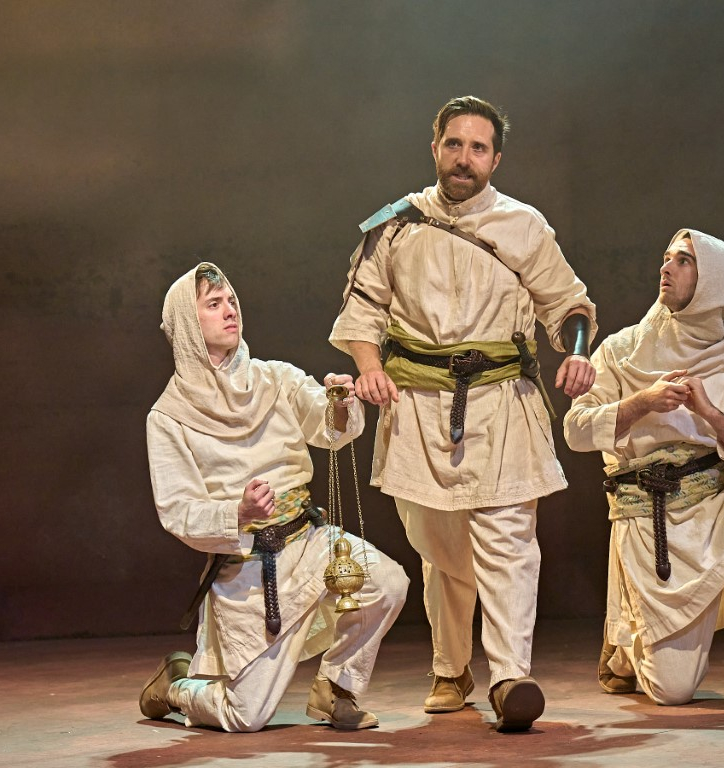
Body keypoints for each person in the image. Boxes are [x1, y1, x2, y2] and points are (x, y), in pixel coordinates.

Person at [329, 95, 597, 731]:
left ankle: (510, 678)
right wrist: (369, 368)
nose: (464, 159)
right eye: (455, 144)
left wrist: (579, 354)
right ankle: (451, 667)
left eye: (478, 148)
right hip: (417, 405)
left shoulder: (525, 226)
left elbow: (569, 305)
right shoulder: (396, 225)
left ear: (495, 159)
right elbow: (361, 309)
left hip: (504, 402)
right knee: (439, 544)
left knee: (509, 543)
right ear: (435, 149)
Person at [139, 262, 408, 732]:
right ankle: (178, 683)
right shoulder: (169, 417)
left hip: (307, 541)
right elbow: (177, 510)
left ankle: (337, 689)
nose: (230, 311)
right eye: (214, 304)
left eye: (232, 301)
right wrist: (236, 512)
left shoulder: (275, 379)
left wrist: (340, 402)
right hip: (248, 569)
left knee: (387, 582)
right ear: (188, 323)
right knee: (245, 716)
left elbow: (329, 431)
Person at [563, 230, 724, 705]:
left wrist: (712, 415)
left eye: (683, 261)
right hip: (648, 514)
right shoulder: (621, 351)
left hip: (715, 505)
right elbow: (575, 429)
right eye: (666, 258)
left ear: (712, 283)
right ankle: (624, 643)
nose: (666, 267)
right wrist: (640, 403)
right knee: (673, 691)